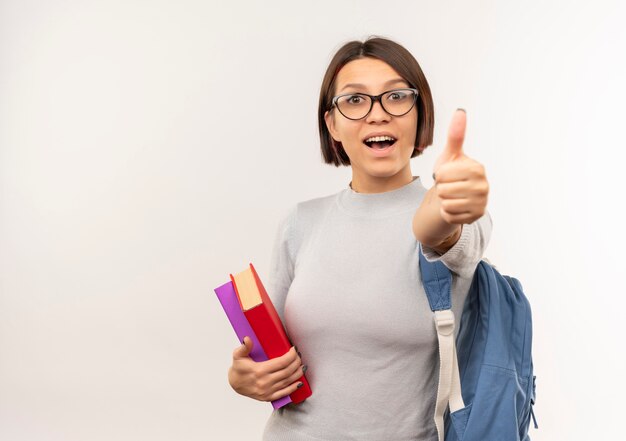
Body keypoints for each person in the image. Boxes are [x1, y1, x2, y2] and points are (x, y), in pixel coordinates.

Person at [227, 36, 491, 441]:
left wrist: (445, 209)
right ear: (332, 123)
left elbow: (438, 231)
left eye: (397, 96)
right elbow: (269, 352)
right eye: (354, 100)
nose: (377, 115)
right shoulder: (300, 223)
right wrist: (245, 376)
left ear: (420, 116)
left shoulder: (462, 216)